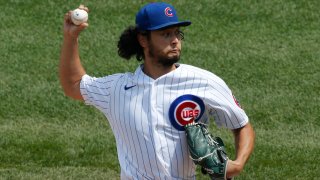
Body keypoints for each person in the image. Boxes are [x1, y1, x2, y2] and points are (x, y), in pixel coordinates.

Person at [59, 2, 255, 180]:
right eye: (166, 34)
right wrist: (70, 37)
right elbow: (73, 84)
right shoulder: (117, 89)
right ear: (143, 40)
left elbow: (241, 125)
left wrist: (237, 165)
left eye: (177, 33)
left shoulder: (204, 82)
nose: (175, 40)